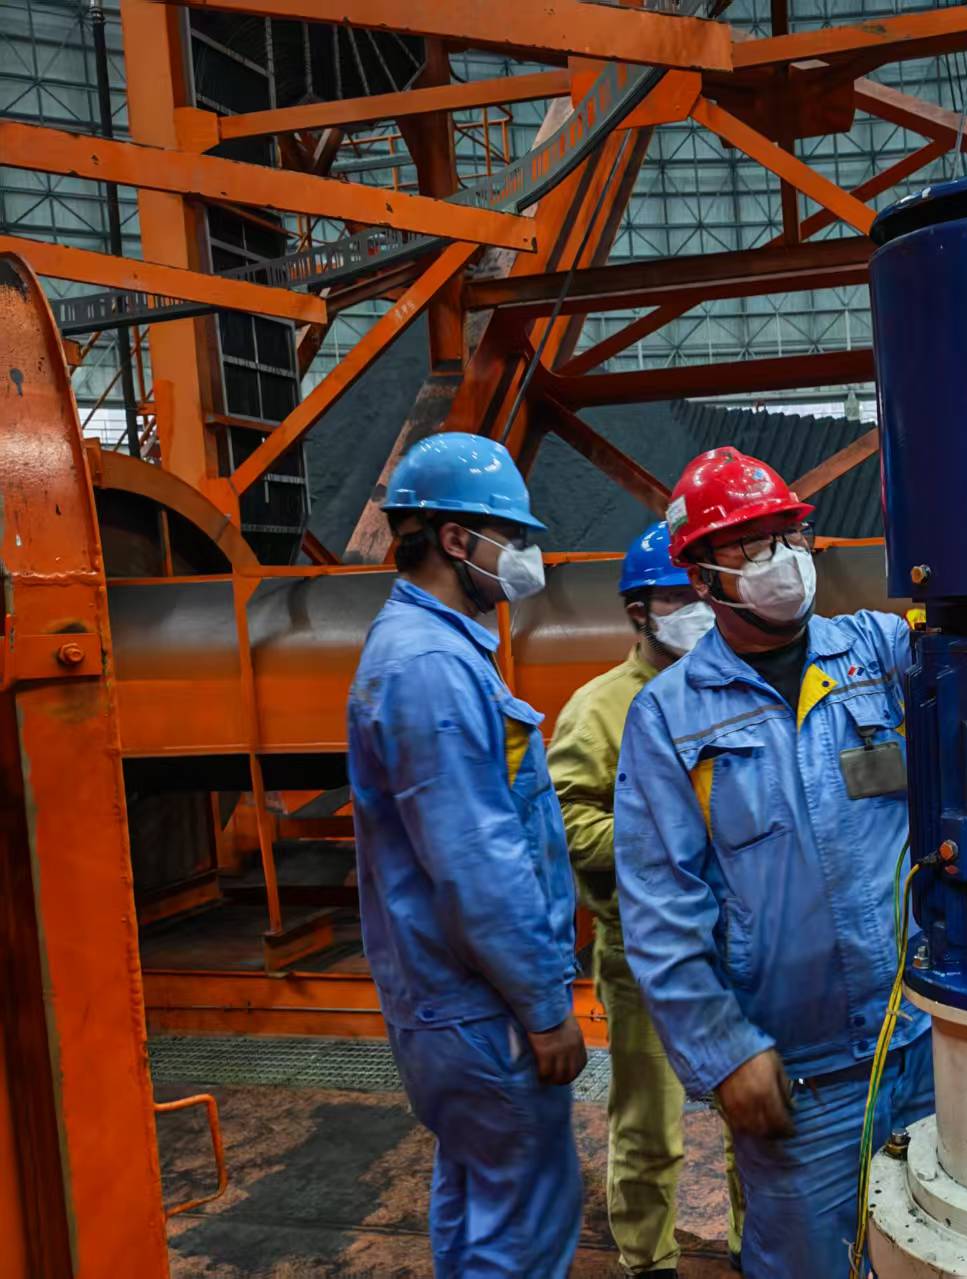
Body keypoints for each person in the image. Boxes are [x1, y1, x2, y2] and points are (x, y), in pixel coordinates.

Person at [613, 448, 931, 1278]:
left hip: (928, 1041)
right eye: (754, 546)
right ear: (702, 575)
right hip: (801, 1077)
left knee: (941, 1252)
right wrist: (723, 1051)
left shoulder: (879, 654)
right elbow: (660, 910)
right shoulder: (670, 718)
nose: (784, 559)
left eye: (791, 536)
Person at [346, 432, 585, 1277]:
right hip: (484, 1012)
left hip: (452, 1006)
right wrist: (546, 1008)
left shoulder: (420, 651)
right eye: (510, 537)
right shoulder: (431, 668)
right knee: (523, 1225)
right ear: (455, 538)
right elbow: (478, 864)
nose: (523, 557)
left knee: (478, 1202)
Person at [547, 522, 741, 1277]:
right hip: (647, 953)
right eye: (677, 596)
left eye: (703, 590)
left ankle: (753, 1243)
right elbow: (566, 823)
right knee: (649, 1127)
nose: (697, 608)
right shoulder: (599, 708)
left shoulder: (731, 688)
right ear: (639, 611)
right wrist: (667, 840)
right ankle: (648, 1259)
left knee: (752, 1113)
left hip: (740, 943)